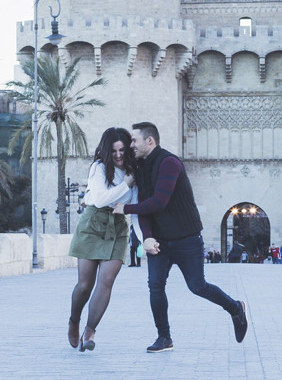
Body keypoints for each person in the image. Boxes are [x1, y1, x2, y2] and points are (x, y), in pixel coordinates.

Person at [117, 122, 249, 353]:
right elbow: (146, 208)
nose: (131, 146)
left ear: (150, 141)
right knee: (155, 286)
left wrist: (125, 209)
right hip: (160, 242)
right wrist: (148, 239)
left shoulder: (169, 163)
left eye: (134, 141)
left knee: (197, 286)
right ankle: (164, 337)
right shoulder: (139, 167)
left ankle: (236, 308)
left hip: (186, 238)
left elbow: (159, 202)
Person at [67, 127, 137, 352]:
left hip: (118, 227)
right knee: (85, 285)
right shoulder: (98, 168)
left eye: (122, 150)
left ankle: (90, 330)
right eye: (114, 151)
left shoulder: (134, 171)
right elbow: (98, 199)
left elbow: (133, 209)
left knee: (106, 280)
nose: (118, 155)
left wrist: (144, 239)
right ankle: (74, 320)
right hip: (93, 224)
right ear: (107, 151)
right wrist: (125, 184)